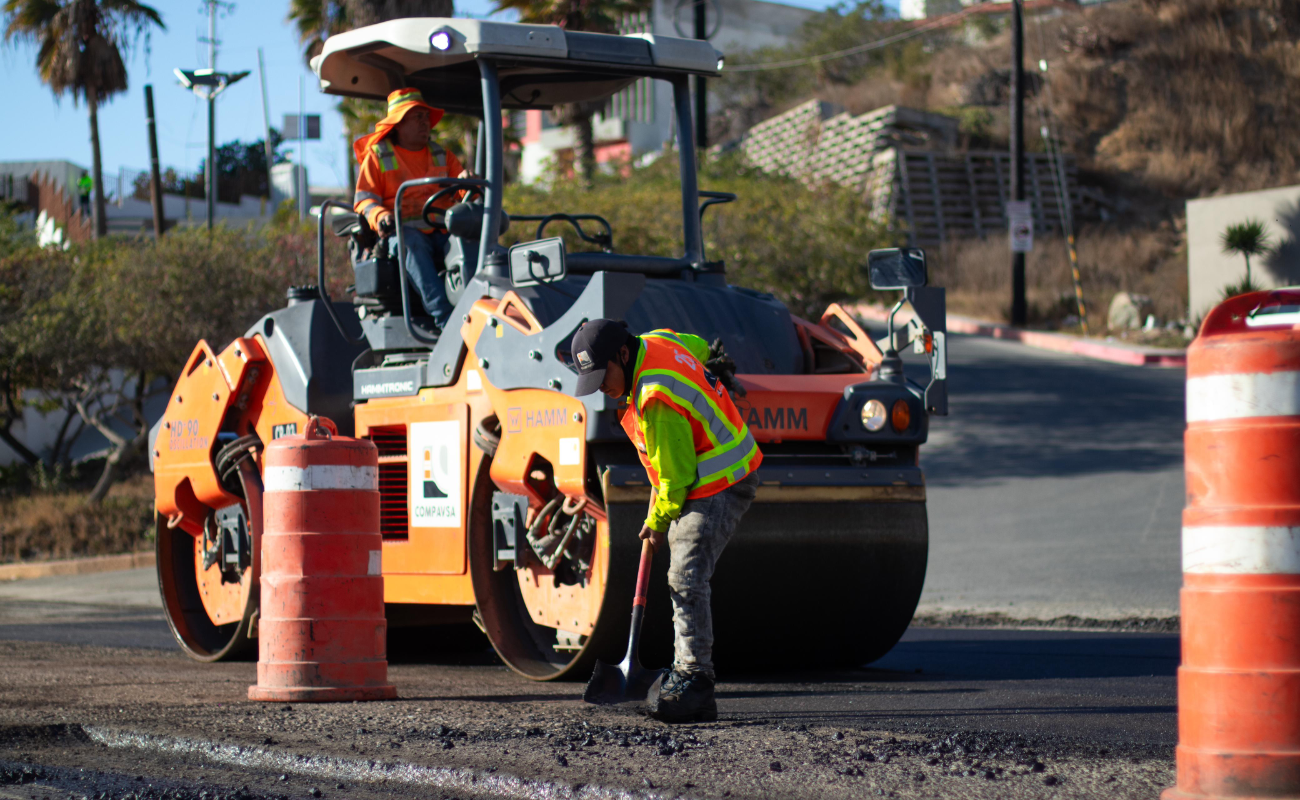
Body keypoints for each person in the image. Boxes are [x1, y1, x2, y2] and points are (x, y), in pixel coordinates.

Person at [570, 319, 763, 723]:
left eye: (603, 376)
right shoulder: (656, 341)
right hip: (708, 471)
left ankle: (695, 682)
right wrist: (714, 361)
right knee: (683, 574)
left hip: (718, 480)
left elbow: (675, 480)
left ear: (623, 354)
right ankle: (685, 669)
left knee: (685, 576)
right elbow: (697, 344)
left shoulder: (654, 396)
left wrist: (656, 523)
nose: (601, 387)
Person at [352, 88, 471, 329]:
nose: (425, 122)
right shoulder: (378, 157)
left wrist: (468, 182)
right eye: (417, 117)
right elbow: (364, 200)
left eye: (426, 117)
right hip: (401, 234)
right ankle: (446, 320)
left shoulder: (442, 155)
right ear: (398, 123)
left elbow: (463, 191)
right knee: (412, 244)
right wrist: (381, 215)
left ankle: (477, 308)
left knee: (471, 243)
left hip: (443, 231)